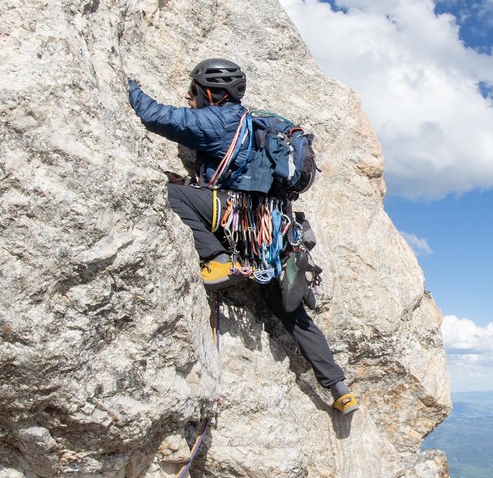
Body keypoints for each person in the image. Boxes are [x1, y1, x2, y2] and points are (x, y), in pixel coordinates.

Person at [127, 58, 359, 415]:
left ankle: (217, 259)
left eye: (193, 91)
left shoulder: (218, 119)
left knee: (172, 196)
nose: (188, 97)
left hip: (237, 220)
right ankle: (340, 388)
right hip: (271, 234)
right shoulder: (251, 123)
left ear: (211, 93)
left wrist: (126, 85)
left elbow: (158, 116)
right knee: (288, 311)